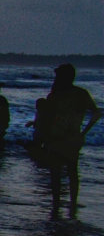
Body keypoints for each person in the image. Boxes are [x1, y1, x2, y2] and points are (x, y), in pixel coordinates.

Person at [43, 62, 101, 210]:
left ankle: (56, 204)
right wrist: (83, 132)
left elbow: (47, 117)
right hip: (73, 138)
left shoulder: (56, 94)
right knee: (72, 172)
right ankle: (72, 203)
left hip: (57, 137)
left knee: (56, 174)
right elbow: (97, 113)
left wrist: (44, 137)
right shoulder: (81, 93)